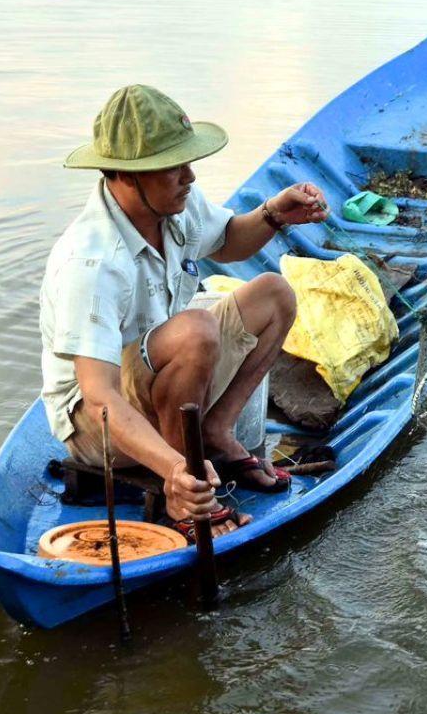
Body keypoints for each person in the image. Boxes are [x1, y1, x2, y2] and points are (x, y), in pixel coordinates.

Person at [39, 84, 328, 538]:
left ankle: (215, 432)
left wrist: (275, 213)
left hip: (162, 381)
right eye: (172, 168)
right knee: (196, 330)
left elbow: (231, 240)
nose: (189, 176)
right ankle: (185, 484)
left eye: (186, 163)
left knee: (274, 294)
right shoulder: (91, 263)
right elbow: (99, 399)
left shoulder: (177, 206)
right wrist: (175, 469)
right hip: (97, 428)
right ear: (126, 176)